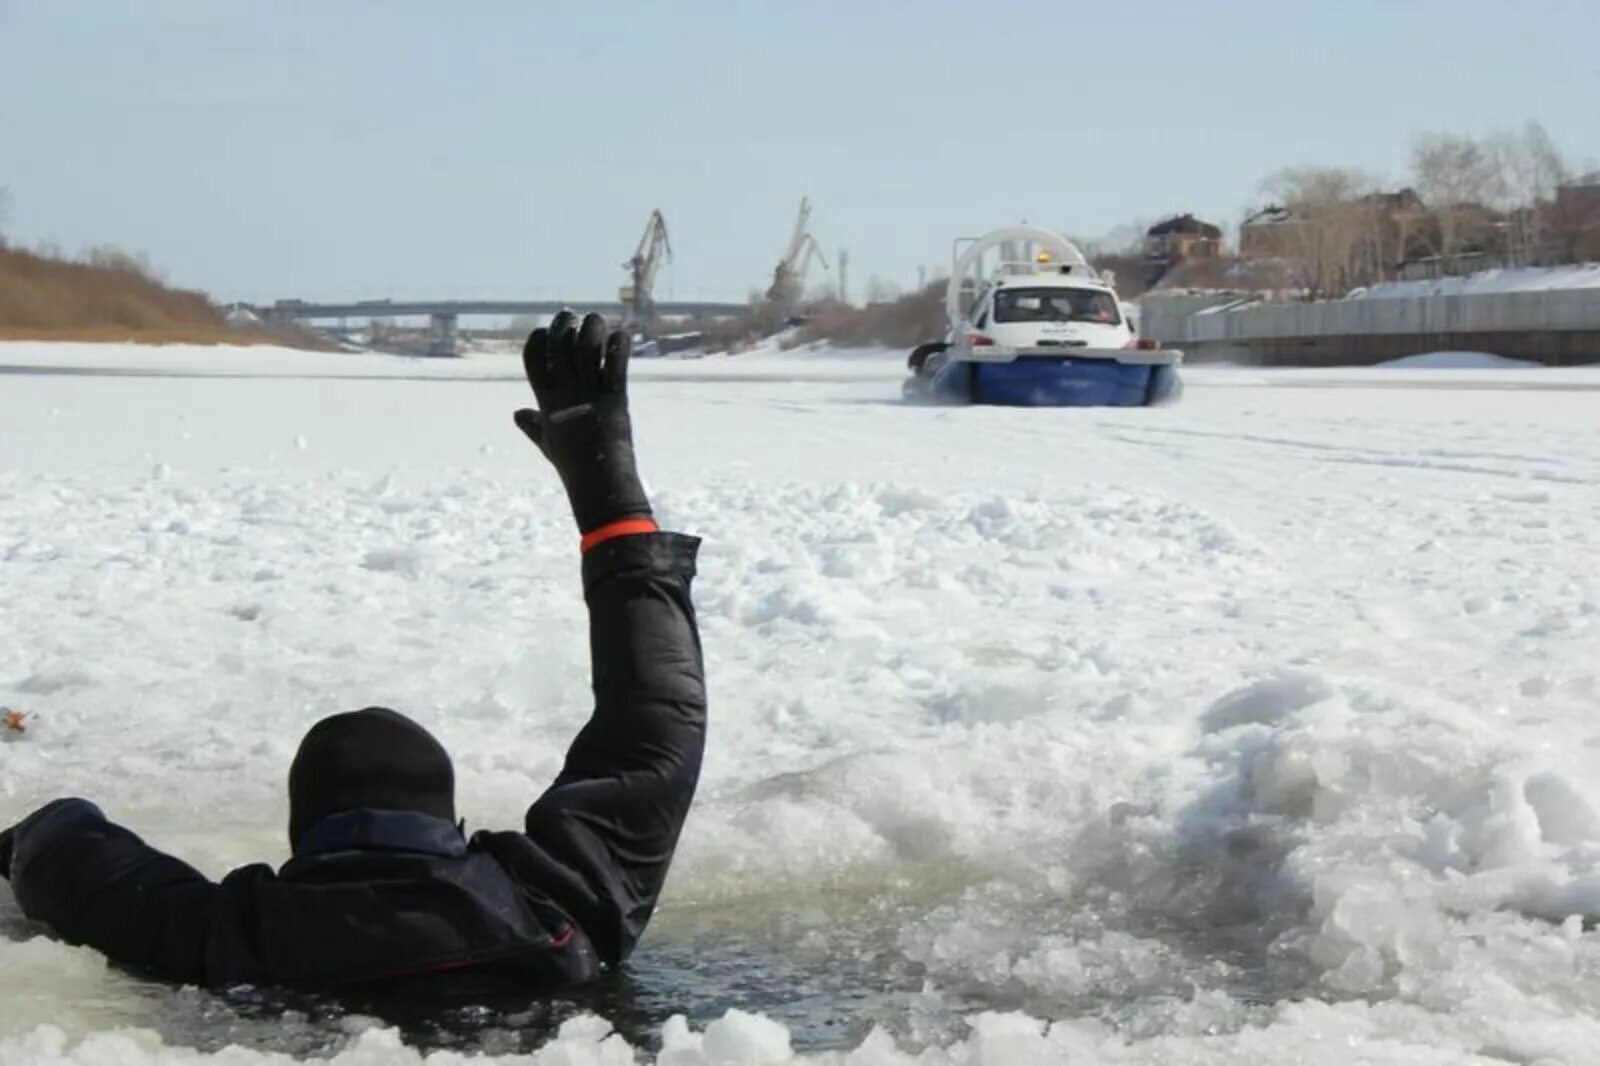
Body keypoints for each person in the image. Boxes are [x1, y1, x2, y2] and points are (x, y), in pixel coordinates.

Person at [0, 312, 706, 991]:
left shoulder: (220, 936)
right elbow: (652, 725)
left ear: (302, 842)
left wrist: (22, 841)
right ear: (453, 833)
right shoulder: (561, 915)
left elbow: (72, 852)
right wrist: (610, 499)